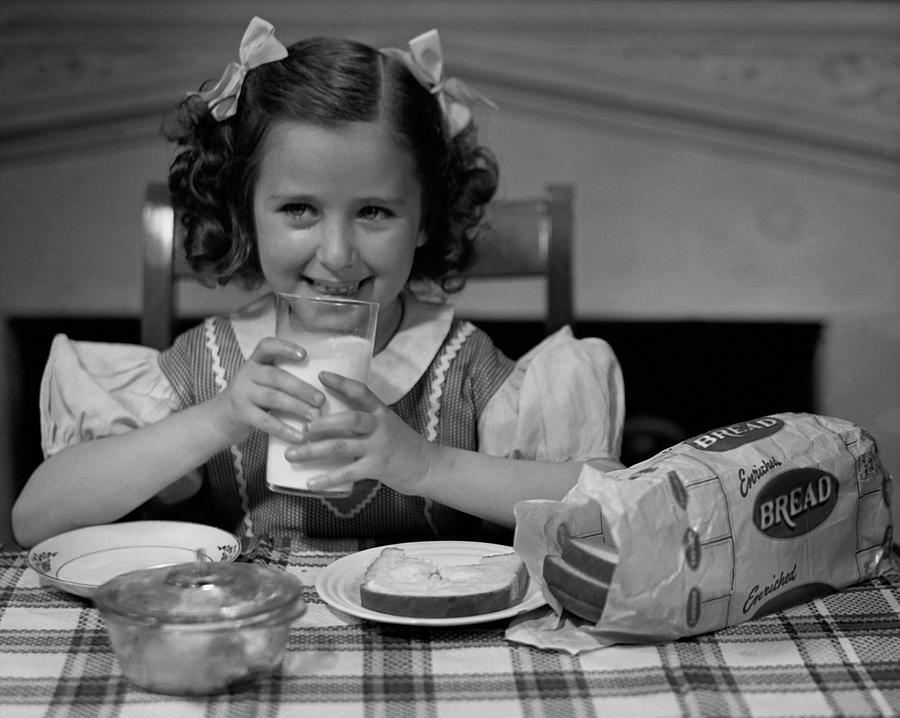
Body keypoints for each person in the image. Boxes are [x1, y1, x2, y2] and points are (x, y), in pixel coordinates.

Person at [12, 18, 625, 549]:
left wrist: (427, 465)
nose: (336, 255)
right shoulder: (217, 368)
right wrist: (219, 420)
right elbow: (37, 518)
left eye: (374, 212)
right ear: (246, 211)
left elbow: (607, 503)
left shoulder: (460, 369)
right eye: (300, 209)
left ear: (425, 219)